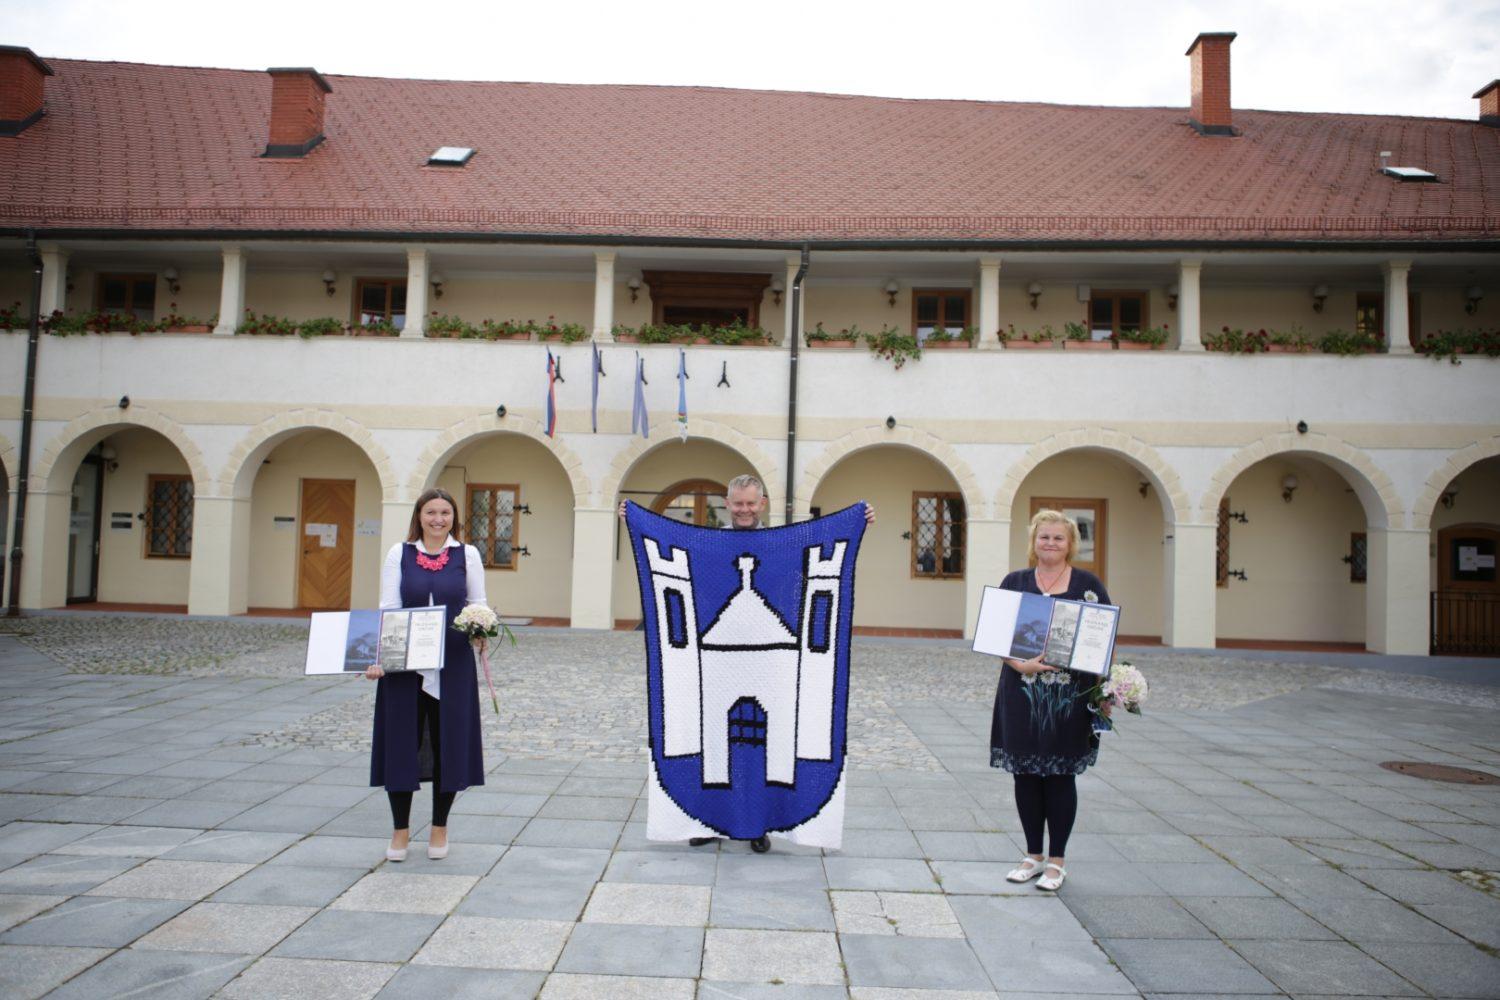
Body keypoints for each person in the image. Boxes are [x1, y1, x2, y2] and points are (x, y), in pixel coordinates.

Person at [621, 474, 875, 851]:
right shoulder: (709, 545)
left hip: (771, 661)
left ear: (763, 503)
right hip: (718, 657)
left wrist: (859, 519)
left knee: (772, 742)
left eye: (750, 503)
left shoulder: (781, 546)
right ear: (728, 503)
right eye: (738, 503)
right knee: (711, 743)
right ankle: (708, 822)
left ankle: (759, 825)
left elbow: (798, 583)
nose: (744, 510)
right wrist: (636, 518)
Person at [989, 508, 1110, 891]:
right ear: (1034, 541)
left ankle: (1057, 861)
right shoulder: (1015, 581)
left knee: (1059, 777)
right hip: (1021, 691)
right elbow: (995, 634)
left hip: (1068, 698)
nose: (1051, 543)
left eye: (1058, 538)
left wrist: (1104, 691)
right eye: (1044, 537)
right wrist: (1017, 664)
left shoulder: (1088, 585)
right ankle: (1032, 856)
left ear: (1070, 543)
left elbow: (1101, 638)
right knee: (1024, 774)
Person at [365, 488, 487, 862]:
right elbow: (389, 608)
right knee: (401, 742)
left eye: (445, 513)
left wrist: (481, 631)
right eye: (431, 512)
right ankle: (400, 831)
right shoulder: (398, 554)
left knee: (449, 743)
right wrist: (378, 658)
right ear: (419, 516)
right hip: (404, 666)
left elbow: (477, 604)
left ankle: (439, 828)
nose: (438, 519)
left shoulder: (467, 555)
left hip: (452, 663)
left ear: (454, 518)